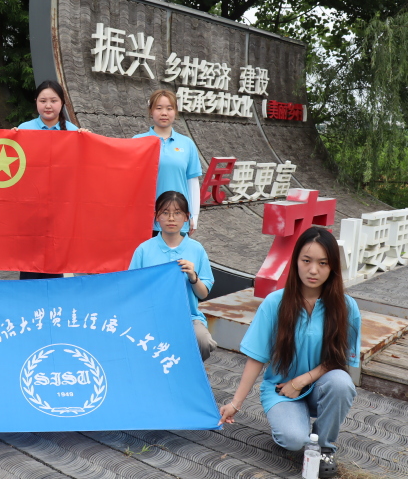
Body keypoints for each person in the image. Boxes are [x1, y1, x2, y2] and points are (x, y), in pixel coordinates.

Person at [219, 227, 361, 479]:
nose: (313, 270)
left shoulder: (346, 307)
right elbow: (256, 356)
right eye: (306, 261)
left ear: (333, 267)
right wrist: (235, 403)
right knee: (294, 440)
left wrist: (302, 381)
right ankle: (295, 426)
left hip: (320, 386)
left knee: (342, 383)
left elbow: (339, 359)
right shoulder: (275, 303)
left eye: (322, 263)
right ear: (296, 261)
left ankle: (324, 447)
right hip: (281, 390)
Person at [129, 191, 217, 361]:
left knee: (203, 341)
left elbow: (203, 294)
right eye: (165, 213)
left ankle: (191, 369)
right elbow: (132, 288)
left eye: (177, 213)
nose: (171, 218)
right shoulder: (144, 250)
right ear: (156, 216)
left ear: (186, 217)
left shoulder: (196, 249)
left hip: (188, 318)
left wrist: (193, 277)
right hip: (150, 317)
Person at [17, 80, 85, 279]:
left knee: (57, 261)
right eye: (43, 101)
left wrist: (88, 141)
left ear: (62, 103)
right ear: (35, 102)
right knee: (30, 262)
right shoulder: (23, 129)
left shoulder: (73, 132)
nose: (48, 105)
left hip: (61, 209)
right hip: (31, 207)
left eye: (53, 101)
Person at [133, 89, 202, 236]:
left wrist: (194, 215)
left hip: (177, 220)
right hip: (144, 220)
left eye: (169, 108)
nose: (164, 113)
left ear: (175, 111)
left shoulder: (187, 144)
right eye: (159, 108)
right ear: (151, 111)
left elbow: (192, 181)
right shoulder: (137, 141)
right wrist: (86, 138)